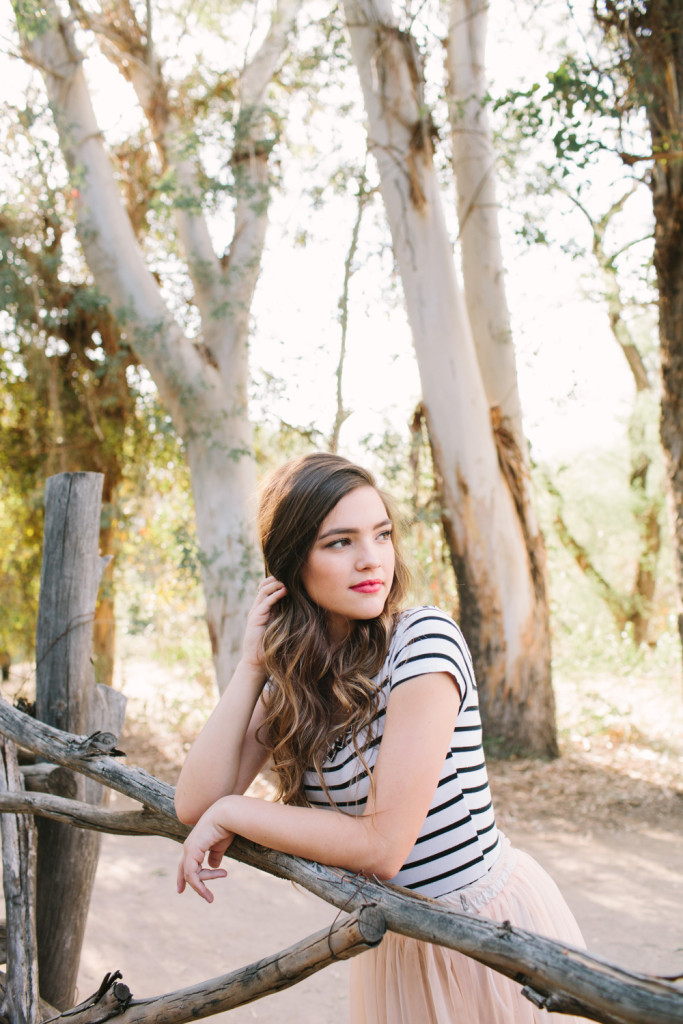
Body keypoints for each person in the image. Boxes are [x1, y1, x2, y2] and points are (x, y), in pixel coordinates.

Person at [175, 452, 587, 1024]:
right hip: (397, 940)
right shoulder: (295, 683)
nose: (372, 559)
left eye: (382, 534)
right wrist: (251, 666)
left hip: (484, 933)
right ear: (293, 564)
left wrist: (232, 813)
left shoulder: (423, 643)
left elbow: (383, 846)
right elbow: (192, 802)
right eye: (340, 542)